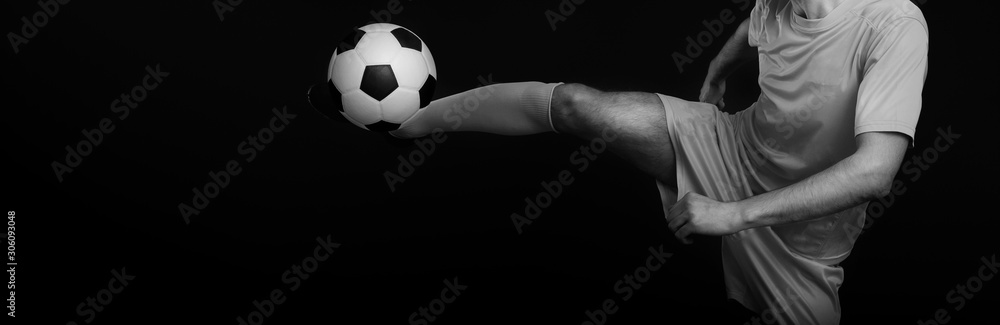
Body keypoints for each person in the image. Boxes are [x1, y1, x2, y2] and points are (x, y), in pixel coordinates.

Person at [313, 0, 928, 323]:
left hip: (797, 242)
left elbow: (875, 172)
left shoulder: (893, 25)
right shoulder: (779, 2)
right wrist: (715, 79)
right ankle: (409, 125)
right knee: (581, 105)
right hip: (732, 149)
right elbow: (755, 26)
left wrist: (733, 215)